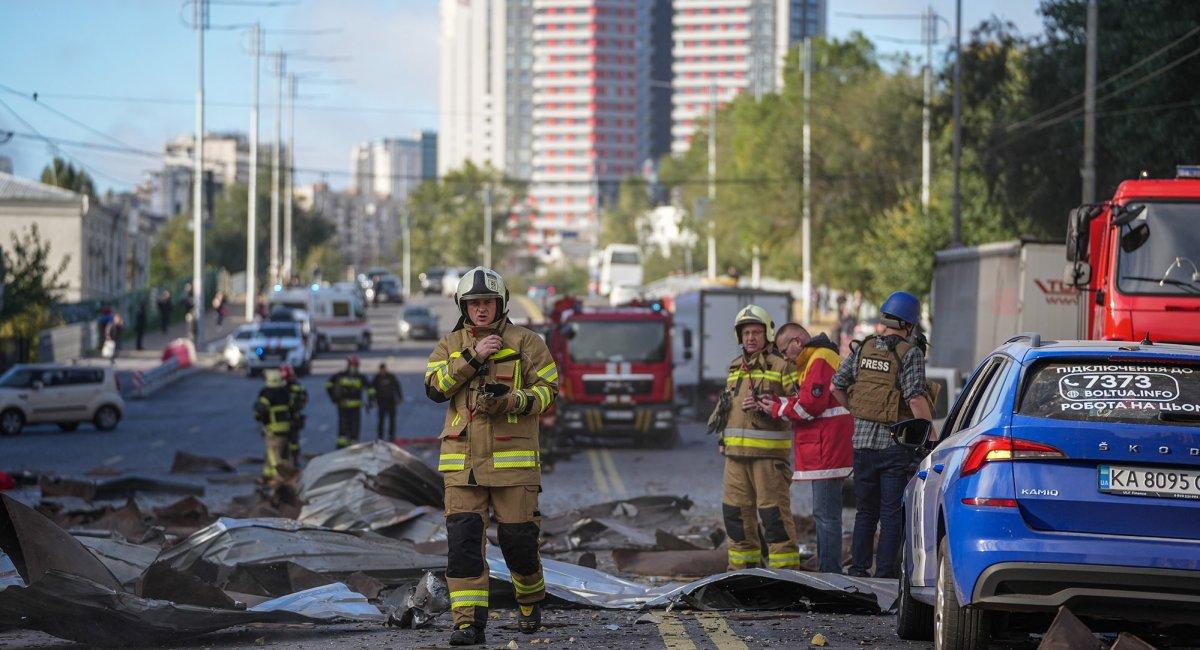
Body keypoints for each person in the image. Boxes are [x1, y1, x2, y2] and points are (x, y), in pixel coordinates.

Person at [425, 266, 557, 646]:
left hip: (513, 462)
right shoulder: (450, 345)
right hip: (462, 465)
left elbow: (549, 390)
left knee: (519, 544)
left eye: (487, 302)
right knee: (463, 545)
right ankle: (468, 624)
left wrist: (513, 400)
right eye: (473, 303)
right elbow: (435, 388)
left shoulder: (527, 342)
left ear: (501, 304)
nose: (481, 309)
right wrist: (472, 356)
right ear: (463, 307)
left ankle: (529, 601)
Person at [831, 291, 936, 578]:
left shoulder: (863, 348)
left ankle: (858, 568)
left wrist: (858, 410)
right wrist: (931, 433)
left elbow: (836, 386)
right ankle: (885, 573)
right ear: (909, 324)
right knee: (890, 514)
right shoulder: (910, 353)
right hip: (894, 446)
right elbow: (915, 398)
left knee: (865, 511)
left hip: (862, 446)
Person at [758, 323, 854, 574]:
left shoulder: (819, 359)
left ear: (798, 342)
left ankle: (830, 573)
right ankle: (829, 569)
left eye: (784, 351)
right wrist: (778, 402)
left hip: (826, 449)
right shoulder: (817, 358)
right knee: (825, 515)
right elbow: (807, 400)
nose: (785, 358)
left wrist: (777, 409)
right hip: (827, 447)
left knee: (825, 516)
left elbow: (810, 405)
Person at [717, 305, 802, 572]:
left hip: (768, 458)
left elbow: (799, 405)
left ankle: (785, 576)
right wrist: (722, 439)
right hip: (735, 457)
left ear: (767, 335)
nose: (750, 338)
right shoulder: (735, 368)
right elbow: (727, 407)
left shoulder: (782, 366)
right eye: (746, 333)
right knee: (735, 516)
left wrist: (770, 405)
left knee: (774, 517)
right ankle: (742, 573)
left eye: (756, 332)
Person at [253, 368, 296, 483]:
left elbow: (260, 410)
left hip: (273, 428)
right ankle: (268, 475)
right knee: (279, 451)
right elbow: (293, 409)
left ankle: (279, 476)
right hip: (286, 427)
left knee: (273, 452)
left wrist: (258, 417)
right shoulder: (285, 392)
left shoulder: (267, 393)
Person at [326, 355, 372, 449]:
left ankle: (352, 446)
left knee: (352, 428)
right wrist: (334, 398)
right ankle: (342, 446)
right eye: (353, 365)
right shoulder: (342, 375)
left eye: (355, 365)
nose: (354, 367)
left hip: (353, 406)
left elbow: (370, 389)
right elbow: (328, 385)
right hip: (344, 406)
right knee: (344, 427)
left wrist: (371, 401)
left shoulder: (359, 377)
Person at [280, 364, 307, 466]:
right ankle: (295, 460)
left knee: (285, 441)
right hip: (294, 418)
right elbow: (304, 399)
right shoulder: (297, 386)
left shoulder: (279, 387)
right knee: (294, 441)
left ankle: (285, 460)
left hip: (283, 419)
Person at [371, 362, 403, 440]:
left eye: (384, 369)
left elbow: (397, 387)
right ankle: (380, 435)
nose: (383, 371)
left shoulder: (391, 377)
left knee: (392, 420)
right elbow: (372, 389)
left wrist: (399, 397)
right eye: (381, 370)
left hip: (391, 402)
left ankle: (391, 435)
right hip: (381, 402)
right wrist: (372, 399)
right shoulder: (377, 378)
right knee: (381, 420)